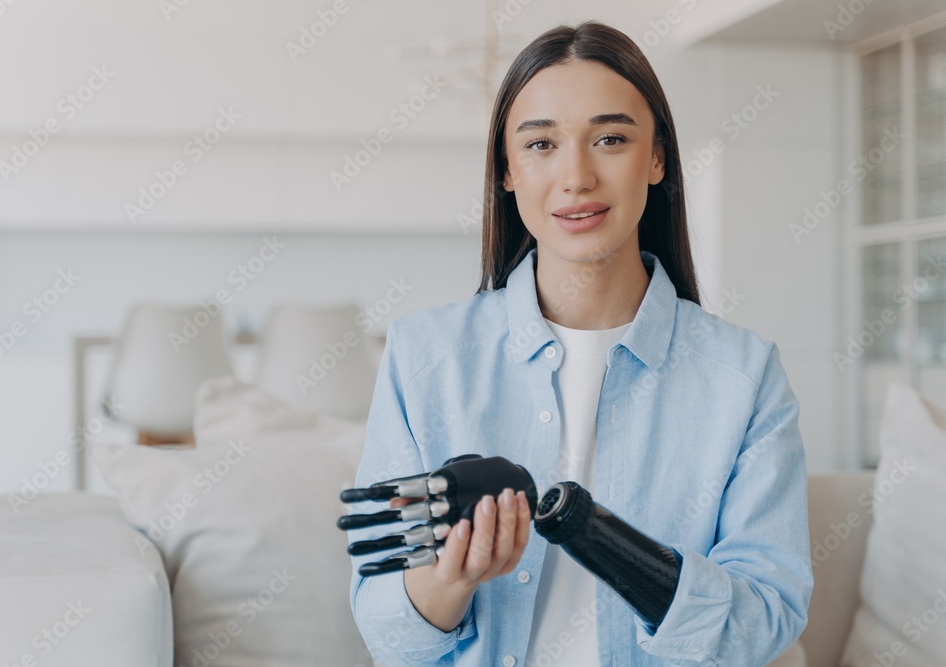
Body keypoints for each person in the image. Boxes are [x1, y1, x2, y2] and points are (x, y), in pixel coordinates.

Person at [347, 19, 813, 667]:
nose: (576, 176)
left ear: (656, 158)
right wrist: (453, 576)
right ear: (506, 171)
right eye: (540, 145)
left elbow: (765, 620)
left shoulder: (743, 375)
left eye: (611, 138)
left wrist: (605, 542)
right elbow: (386, 634)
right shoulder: (424, 357)